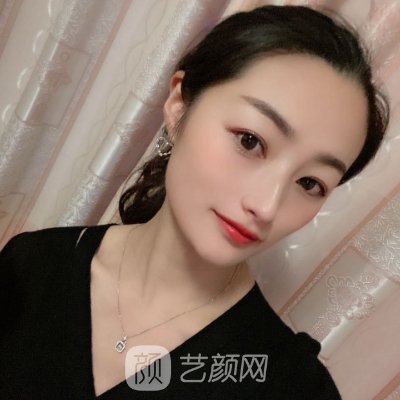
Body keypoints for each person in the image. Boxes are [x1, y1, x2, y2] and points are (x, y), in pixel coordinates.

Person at [0, 4, 389, 400]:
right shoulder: (32, 263)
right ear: (179, 105)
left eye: (310, 183)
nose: (267, 206)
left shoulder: (292, 386)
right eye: (250, 141)